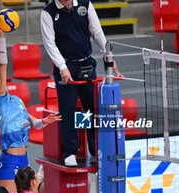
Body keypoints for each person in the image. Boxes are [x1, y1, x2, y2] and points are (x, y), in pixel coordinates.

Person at [0, 19, 62, 193]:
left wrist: (45, 121)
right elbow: (2, 65)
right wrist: (1, 37)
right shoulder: (0, 100)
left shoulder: (17, 100)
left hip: (24, 159)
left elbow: (34, 123)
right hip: (9, 162)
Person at [40, 0, 120, 166]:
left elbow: (96, 32)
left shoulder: (85, 4)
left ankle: (94, 149)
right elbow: (50, 44)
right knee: (67, 109)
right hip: (65, 65)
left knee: (89, 108)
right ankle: (70, 151)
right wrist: (62, 66)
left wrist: (107, 53)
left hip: (87, 64)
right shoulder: (48, 13)